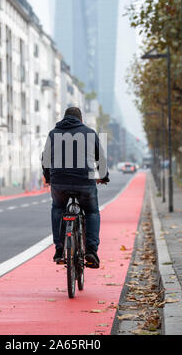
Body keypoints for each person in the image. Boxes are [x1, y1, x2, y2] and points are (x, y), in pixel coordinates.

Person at [42, 107, 110, 269]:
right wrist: (103, 176)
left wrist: (48, 177)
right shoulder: (89, 132)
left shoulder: (53, 133)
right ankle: (91, 250)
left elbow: (45, 158)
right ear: (81, 120)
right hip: (84, 181)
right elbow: (100, 157)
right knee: (92, 211)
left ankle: (59, 249)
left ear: (63, 118)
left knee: (58, 208)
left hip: (59, 181)